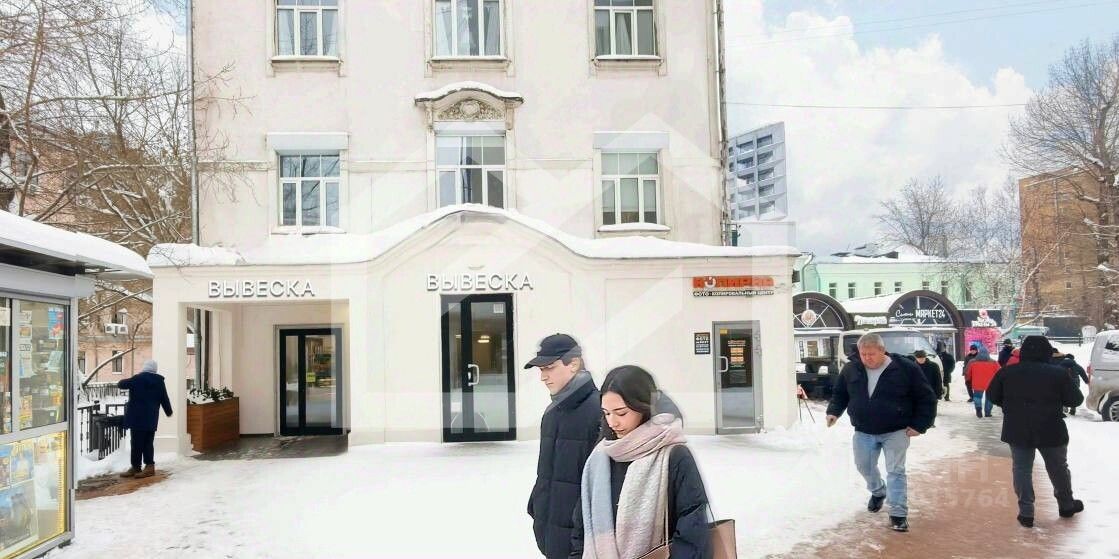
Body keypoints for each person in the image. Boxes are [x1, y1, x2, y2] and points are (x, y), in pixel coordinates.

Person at [571, 365, 710, 558]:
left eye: (621, 413)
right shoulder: (600, 458)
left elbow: (692, 530)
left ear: (643, 406)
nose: (612, 422)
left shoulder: (674, 455)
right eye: (607, 413)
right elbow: (581, 529)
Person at [826, 333, 937, 533]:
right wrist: (833, 412)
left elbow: (926, 397)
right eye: (863, 354)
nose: (867, 358)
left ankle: (898, 513)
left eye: (871, 354)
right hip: (863, 429)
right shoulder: (852, 368)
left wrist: (920, 425)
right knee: (864, 466)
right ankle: (878, 491)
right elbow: (840, 393)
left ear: (882, 350)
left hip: (896, 429)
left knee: (895, 470)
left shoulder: (905, 368)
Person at [987, 336, 1085, 528]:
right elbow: (1076, 400)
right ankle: (1066, 505)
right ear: (1047, 352)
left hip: (1017, 428)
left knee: (1021, 469)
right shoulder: (1058, 373)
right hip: (1051, 427)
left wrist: (1011, 406)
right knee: (1058, 467)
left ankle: (1026, 513)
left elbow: (992, 395)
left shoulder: (1007, 372)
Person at [526, 334, 602, 559]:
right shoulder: (552, 413)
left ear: (574, 364)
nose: (543, 377)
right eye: (541, 370)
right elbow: (547, 473)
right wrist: (537, 507)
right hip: (551, 534)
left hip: (583, 543)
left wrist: (581, 535)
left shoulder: (600, 411)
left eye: (549, 368)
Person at [117, 360, 172, 479]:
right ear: (155, 369)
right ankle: (149, 466)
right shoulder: (159, 382)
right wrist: (169, 411)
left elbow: (121, 384)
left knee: (136, 443)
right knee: (148, 442)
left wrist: (126, 380)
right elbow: (164, 398)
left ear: (144, 368)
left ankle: (136, 467)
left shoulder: (137, 379)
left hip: (137, 417)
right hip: (151, 417)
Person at [1051, 349, 1089, 417]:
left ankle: (1065, 406)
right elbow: (1082, 372)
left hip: (1065, 381)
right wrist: (1086, 381)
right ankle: (1073, 408)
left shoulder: (1061, 364)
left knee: (1064, 394)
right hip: (1075, 381)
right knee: (1074, 394)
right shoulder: (1076, 365)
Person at [965, 345, 1000, 418]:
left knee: (977, 397)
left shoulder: (972, 362)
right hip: (990, 384)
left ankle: (978, 408)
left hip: (977, 383)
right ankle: (987, 412)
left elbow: (968, 372)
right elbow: (999, 373)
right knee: (989, 398)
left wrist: (968, 379)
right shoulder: (994, 362)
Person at [912, 350, 943, 426]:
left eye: (922, 358)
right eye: (919, 358)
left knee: (931, 408)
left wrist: (938, 393)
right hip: (917, 392)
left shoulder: (933, 366)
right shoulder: (913, 366)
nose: (921, 360)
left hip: (931, 391)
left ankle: (931, 423)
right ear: (916, 358)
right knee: (918, 408)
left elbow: (938, 380)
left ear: (925, 357)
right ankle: (919, 423)